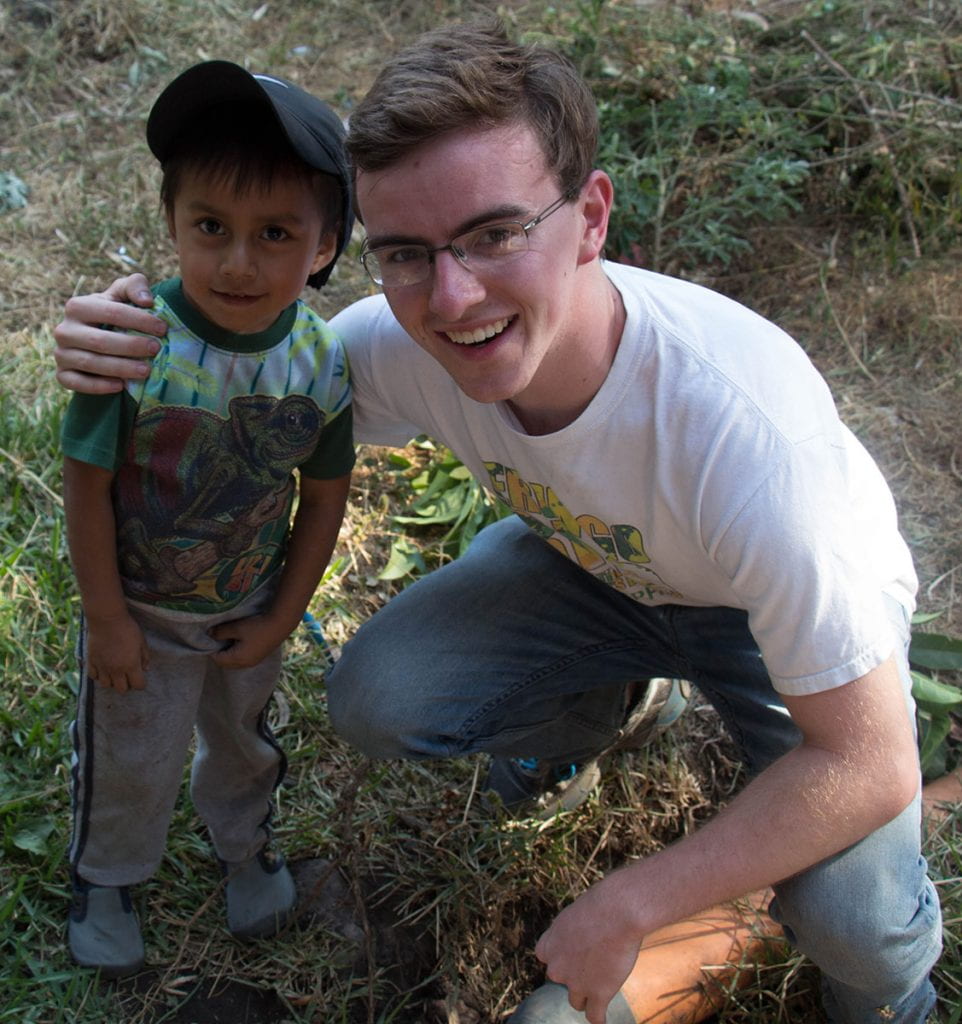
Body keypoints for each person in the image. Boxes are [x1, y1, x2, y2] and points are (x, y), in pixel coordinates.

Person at [53, 20, 942, 1024]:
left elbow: (866, 762)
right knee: (382, 695)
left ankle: (897, 1000)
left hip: (763, 624)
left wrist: (631, 899)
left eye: (493, 231)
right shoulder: (387, 343)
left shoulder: (757, 456)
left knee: (853, 922)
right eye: (405, 253)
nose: (452, 297)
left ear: (591, 217)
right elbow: (235, 365)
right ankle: (608, 705)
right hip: (595, 572)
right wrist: (111, 332)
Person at [59, 61, 355, 977]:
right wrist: (107, 617)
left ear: (325, 244)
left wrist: (279, 615)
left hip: (244, 607)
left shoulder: (320, 363)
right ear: (172, 223)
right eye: (210, 227)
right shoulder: (134, 342)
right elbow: (85, 484)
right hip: (140, 611)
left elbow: (324, 496)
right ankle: (107, 876)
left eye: (275, 233)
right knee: (130, 751)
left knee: (245, 742)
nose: (237, 261)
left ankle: (246, 849)